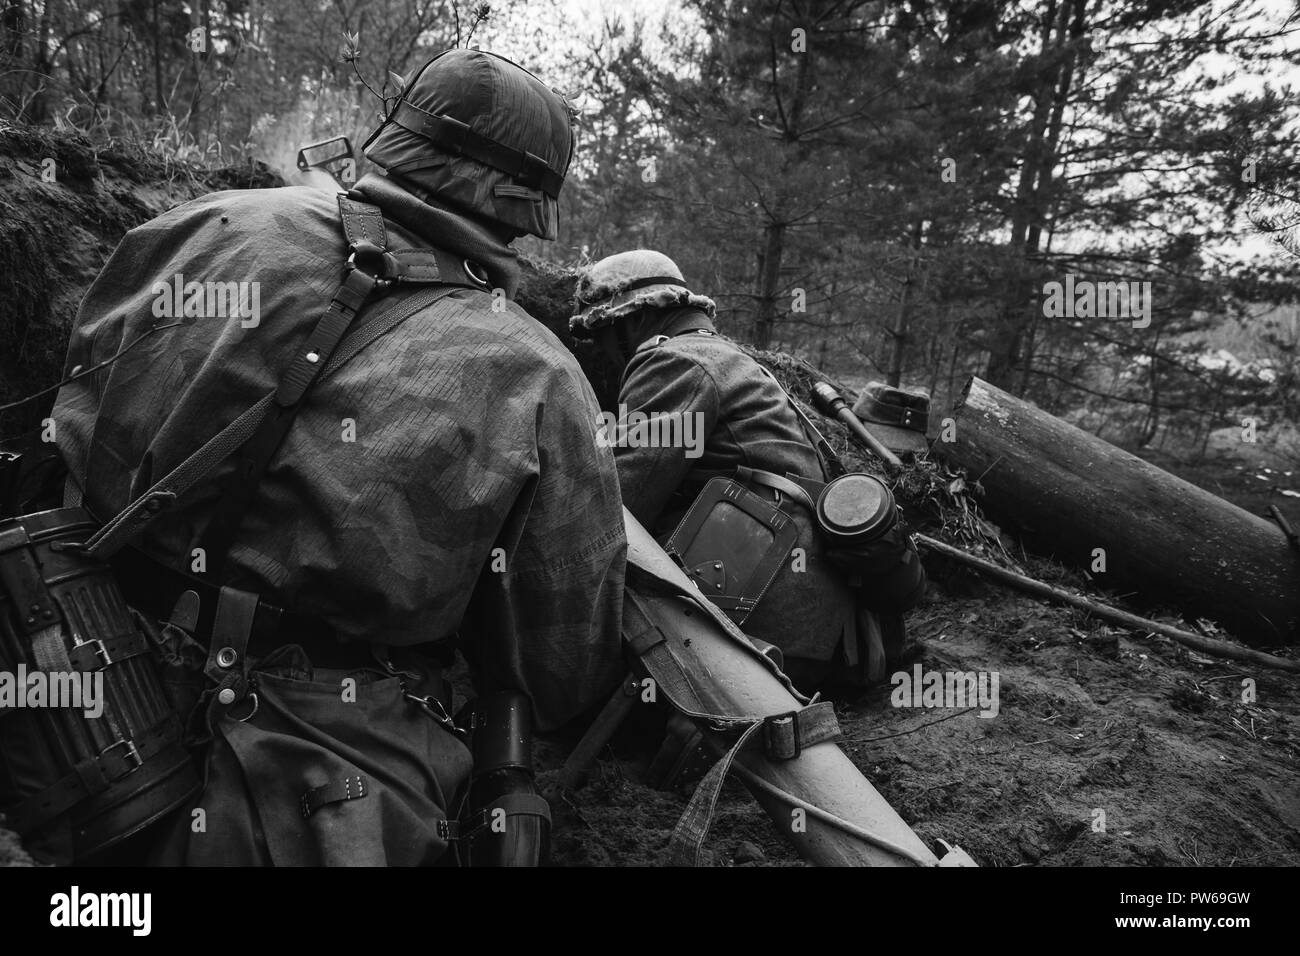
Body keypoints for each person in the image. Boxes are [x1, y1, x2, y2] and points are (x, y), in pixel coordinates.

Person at [49, 49, 627, 866]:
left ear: (393, 139)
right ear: (524, 207)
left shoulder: (201, 225)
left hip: (72, 674)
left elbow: (71, 414)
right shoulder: (534, 371)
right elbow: (560, 663)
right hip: (311, 777)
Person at [569, 249, 925, 693]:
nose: (601, 351)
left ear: (634, 319)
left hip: (767, 642)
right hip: (821, 638)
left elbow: (616, 502)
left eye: (601, 332)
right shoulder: (729, 359)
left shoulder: (676, 362)